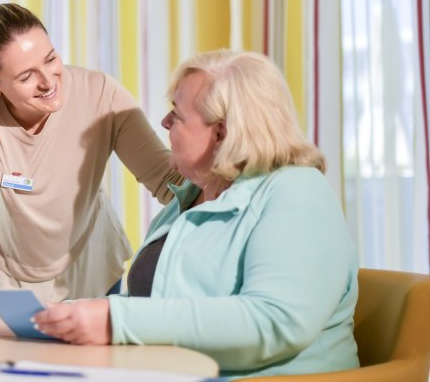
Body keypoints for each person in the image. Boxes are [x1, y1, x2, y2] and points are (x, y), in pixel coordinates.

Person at [32, 50, 360, 379]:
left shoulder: (296, 191)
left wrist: (115, 320)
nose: (164, 122)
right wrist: (70, 315)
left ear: (221, 133)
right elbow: (161, 305)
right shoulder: (188, 198)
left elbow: (274, 321)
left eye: (177, 114)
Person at [0, 3, 183, 336]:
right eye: (26, 77)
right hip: (18, 292)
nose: (48, 81)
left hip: (95, 269)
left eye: (51, 59)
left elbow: (168, 180)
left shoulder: (100, 95)